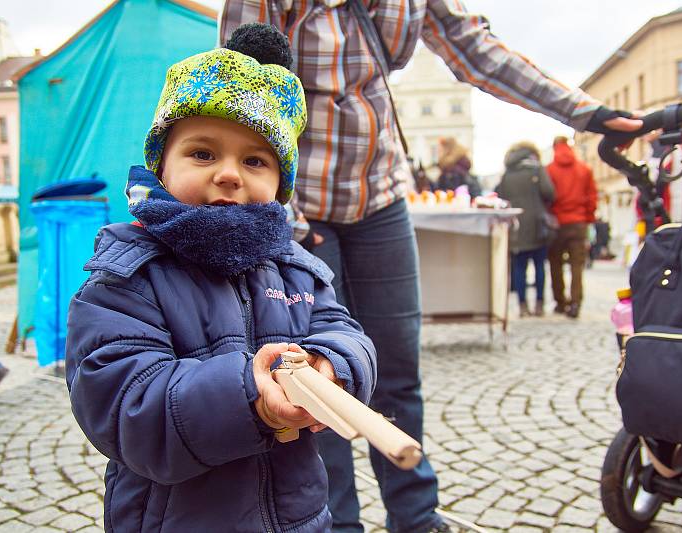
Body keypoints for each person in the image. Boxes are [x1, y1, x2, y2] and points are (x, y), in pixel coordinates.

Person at [220, 3, 642, 532]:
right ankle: (334, 521)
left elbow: (477, 51)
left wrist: (585, 114)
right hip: (302, 205)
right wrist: (288, 215)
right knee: (313, 375)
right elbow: (242, 85)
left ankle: (417, 517)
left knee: (399, 372)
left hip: (382, 196)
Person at [64, 24, 376, 532]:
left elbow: (348, 335)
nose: (229, 173)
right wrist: (249, 398)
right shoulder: (126, 275)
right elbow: (123, 406)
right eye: (203, 153)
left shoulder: (298, 268)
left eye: (255, 159)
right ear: (161, 166)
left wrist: (333, 365)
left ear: (280, 185)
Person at [494, 142, 555, 318]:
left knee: (519, 267)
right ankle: (539, 304)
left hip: (516, 227)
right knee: (539, 266)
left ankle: (522, 305)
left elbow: (501, 197)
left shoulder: (507, 174)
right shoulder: (536, 169)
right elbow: (549, 192)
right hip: (537, 225)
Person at [547, 136, 598, 319]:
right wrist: (588, 218)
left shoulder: (549, 170)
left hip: (557, 224)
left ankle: (560, 302)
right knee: (577, 265)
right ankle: (576, 302)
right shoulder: (584, 169)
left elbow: (547, 197)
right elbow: (592, 196)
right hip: (578, 223)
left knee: (556, 264)